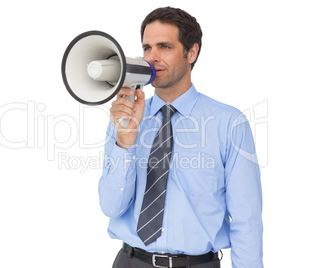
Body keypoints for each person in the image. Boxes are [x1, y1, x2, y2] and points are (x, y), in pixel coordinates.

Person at [98, 6, 263, 268]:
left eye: (164, 47)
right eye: (147, 48)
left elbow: (246, 219)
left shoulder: (229, 123)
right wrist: (125, 142)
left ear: (192, 52)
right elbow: (111, 206)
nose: (152, 58)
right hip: (129, 261)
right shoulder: (124, 120)